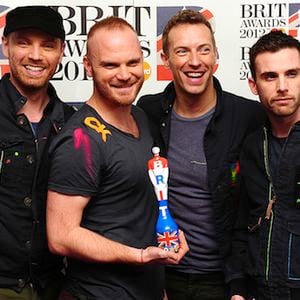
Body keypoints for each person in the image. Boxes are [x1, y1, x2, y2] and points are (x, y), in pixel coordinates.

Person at [46, 16, 189, 300]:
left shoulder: (140, 116)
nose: (124, 75)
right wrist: (139, 256)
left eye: (132, 63)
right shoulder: (80, 141)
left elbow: (133, 208)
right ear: (88, 66)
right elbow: (61, 236)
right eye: (110, 65)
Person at [137, 9, 266, 300]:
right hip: (161, 275)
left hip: (225, 280)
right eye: (182, 51)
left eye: (203, 50)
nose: (195, 61)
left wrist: (241, 286)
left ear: (216, 55)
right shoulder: (148, 111)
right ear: (165, 58)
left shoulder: (248, 116)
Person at [0, 5, 75, 300]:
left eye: (47, 45)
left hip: (55, 285)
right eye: (23, 42)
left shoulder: (73, 124)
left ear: (61, 52)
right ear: (5, 44)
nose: (35, 55)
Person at [230, 31, 300, 300]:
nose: (282, 86)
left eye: (292, 74)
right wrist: (237, 288)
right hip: (260, 290)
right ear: (253, 85)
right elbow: (243, 221)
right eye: (270, 76)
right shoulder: (251, 146)